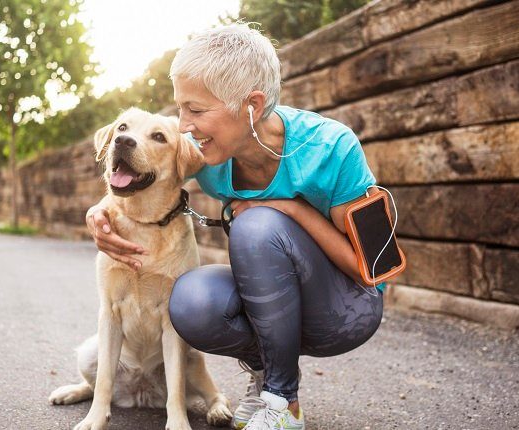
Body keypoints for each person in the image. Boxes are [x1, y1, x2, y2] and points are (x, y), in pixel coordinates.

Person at [86, 23, 384, 430]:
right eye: (180, 109)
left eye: (196, 110)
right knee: (189, 300)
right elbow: (150, 178)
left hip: (346, 310)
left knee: (257, 226)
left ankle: (283, 401)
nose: (184, 125)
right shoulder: (210, 159)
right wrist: (99, 211)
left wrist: (291, 210)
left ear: (252, 105)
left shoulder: (334, 147)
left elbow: (374, 265)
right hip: (277, 306)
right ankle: (266, 376)